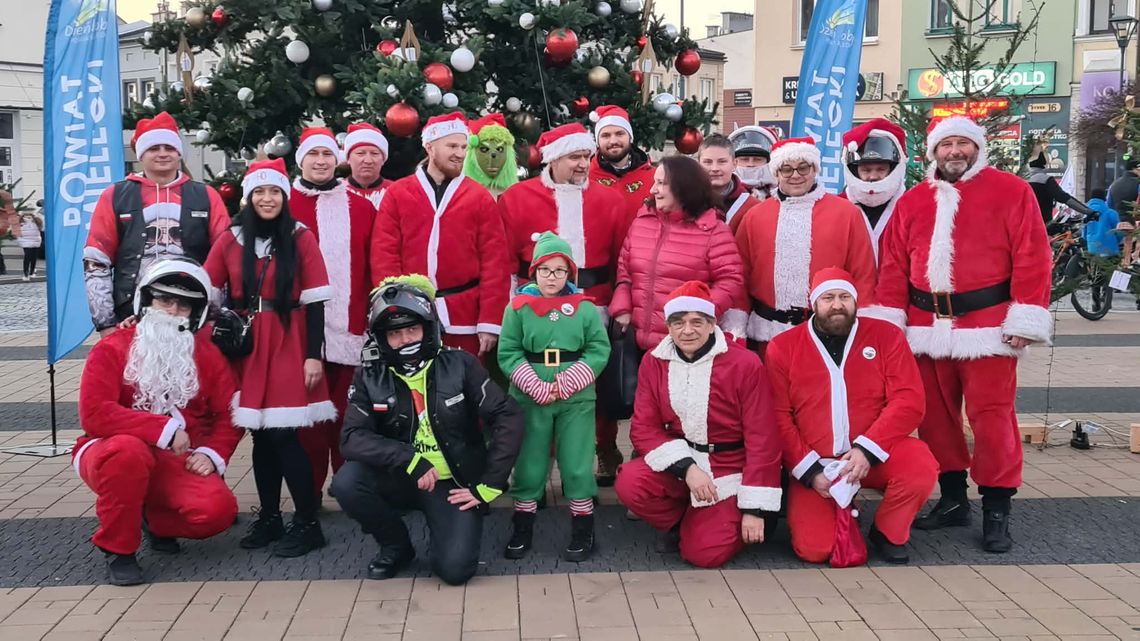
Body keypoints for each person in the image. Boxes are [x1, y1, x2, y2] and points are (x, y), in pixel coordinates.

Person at [869, 116, 1052, 553]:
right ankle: (953, 498)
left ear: (977, 148)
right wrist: (893, 321)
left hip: (988, 328)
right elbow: (893, 264)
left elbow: (1033, 255)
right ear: (932, 152)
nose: (954, 151)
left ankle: (996, 507)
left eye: (962, 143)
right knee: (934, 417)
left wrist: (1024, 319)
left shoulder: (1012, 192)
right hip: (925, 328)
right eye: (946, 144)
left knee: (993, 419)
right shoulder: (913, 201)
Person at [331, 275, 525, 585]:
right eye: (395, 333)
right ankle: (396, 546)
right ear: (381, 337)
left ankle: (446, 532)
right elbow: (352, 439)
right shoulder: (369, 375)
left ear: (429, 327)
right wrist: (408, 457)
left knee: (455, 571)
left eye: (412, 329)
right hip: (402, 474)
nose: (406, 339)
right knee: (347, 483)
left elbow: (508, 416)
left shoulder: (461, 364)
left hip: (452, 482)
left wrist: (489, 485)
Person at [74, 258, 242, 586]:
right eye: (164, 299)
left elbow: (229, 414)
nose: (172, 310)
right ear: (146, 300)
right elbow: (94, 412)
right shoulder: (112, 348)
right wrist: (160, 429)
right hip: (110, 450)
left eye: (184, 305)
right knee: (127, 452)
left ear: (196, 313)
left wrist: (211, 453)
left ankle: (150, 516)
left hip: (175, 458)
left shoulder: (207, 355)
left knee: (217, 512)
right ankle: (119, 549)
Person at [204, 158, 336, 557]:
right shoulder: (230, 238)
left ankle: (307, 521)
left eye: (274, 191)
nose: (267, 198)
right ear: (248, 197)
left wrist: (314, 357)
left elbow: (316, 302)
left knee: (284, 434)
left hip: (289, 340)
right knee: (261, 436)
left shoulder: (300, 237)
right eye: (259, 192)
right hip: (246, 345)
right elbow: (206, 288)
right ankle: (270, 517)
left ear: (284, 196)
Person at [767, 268, 936, 565]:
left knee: (920, 466)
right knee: (815, 550)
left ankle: (888, 532)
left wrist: (867, 450)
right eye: (828, 297)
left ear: (856, 301)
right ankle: (833, 513)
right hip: (818, 462)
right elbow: (777, 416)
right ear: (813, 303)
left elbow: (908, 399)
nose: (837, 305)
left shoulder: (886, 336)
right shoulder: (783, 347)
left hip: (873, 455)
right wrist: (810, 473)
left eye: (845, 297)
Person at [615, 281, 782, 568]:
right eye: (678, 322)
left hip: (730, 466)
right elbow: (643, 428)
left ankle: (747, 518)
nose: (687, 330)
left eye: (696, 322)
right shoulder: (655, 362)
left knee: (703, 555)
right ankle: (686, 521)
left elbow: (763, 438)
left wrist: (755, 508)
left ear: (711, 323)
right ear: (668, 325)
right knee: (631, 482)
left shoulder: (744, 364)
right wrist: (687, 468)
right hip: (685, 460)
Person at [498, 122, 630, 484]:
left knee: (597, 388)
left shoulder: (610, 199)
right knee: (535, 389)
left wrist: (621, 302)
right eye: (575, 156)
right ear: (554, 159)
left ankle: (603, 449)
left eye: (587, 156)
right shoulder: (517, 198)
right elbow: (506, 260)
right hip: (534, 307)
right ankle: (533, 472)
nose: (584, 164)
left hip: (595, 303)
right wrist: (513, 307)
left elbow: (623, 258)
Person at [498, 232, 611, 561]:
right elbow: (508, 352)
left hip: (575, 398)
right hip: (530, 396)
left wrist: (569, 382)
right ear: (534, 271)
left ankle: (583, 528)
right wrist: (533, 385)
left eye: (560, 271)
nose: (552, 278)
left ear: (570, 274)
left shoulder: (585, 309)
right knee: (530, 463)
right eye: (545, 270)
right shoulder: (518, 308)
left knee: (576, 465)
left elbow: (598, 350)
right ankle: (523, 525)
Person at [370, 112, 511, 358]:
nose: (459, 153)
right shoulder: (398, 193)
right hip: (409, 314)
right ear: (430, 146)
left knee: (463, 389)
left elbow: (494, 261)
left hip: (464, 315)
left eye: (464, 147)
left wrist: (489, 321)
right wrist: (394, 307)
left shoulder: (478, 197)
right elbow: (385, 254)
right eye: (452, 146)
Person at [289, 127, 377, 504]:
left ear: (337, 159)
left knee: (348, 417)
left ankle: (351, 491)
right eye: (314, 155)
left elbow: (376, 264)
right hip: (298, 335)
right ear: (301, 160)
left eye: (327, 155)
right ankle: (307, 499)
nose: (321, 162)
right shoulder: (282, 203)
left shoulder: (361, 207)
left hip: (353, 328)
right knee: (308, 422)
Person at [84, 112, 231, 336]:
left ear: (179, 152)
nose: (163, 154)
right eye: (154, 148)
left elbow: (225, 259)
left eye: (169, 148)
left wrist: (213, 315)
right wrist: (105, 323)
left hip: (193, 313)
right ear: (141, 154)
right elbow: (97, 262)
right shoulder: (115, 196)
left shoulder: (206, 196)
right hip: (130, 317)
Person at [734, 137, 877, 358]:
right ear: (777, 173)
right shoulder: (754, 217)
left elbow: (863, 273)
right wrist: (736, 326)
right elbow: (740, 276)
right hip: (766, 335)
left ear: (815, 169)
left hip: (829, 332)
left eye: (803, 167)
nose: (795, 175)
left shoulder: (846, 213)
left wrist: (863, 322)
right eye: (787, 169)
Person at [610, 155, 747, 354]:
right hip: (636, 343)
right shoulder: (641, 222)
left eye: (661, 183)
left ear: (684, 187)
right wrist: (622, 306)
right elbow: (624, 271)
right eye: (654, 182)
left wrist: (697, 315)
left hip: (686, 346)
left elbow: (731, 280)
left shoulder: (713, 230)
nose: (652, 190)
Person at [841, 118, 908, 264]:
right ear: (854, 170)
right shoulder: (839, 206)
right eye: (866, 170)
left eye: (881, 169)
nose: (873, 176)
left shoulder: (910, 205)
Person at [588, 105, 656, 222]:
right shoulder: (585, 178)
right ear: (597, 141)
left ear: (630, 137)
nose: (613, 141)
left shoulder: (654, 178)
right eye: (605, 135)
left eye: (619, 134)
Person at [697, 134, 760, 228]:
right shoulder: (684, 202)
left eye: (722, 161)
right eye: (708, 162)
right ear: (698, 165)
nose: (715, 168)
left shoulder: (752, 206)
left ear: (734, 164)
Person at [1025, 143, 1092, 225]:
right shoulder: (1045, 180)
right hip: (1043, 224)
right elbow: (1064, 198)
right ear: (1044, 165)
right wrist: (1088, 211)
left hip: (1025, 225)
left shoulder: (1023, 180)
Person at [463, 114, 519, 200]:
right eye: (484, 149)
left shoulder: (516, 195)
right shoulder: (463, 195)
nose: (492, 158)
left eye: (500, 149)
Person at [727, 125, 779, 208]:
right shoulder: (724, 193)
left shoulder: (781, 194)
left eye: (757, 159)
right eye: (744, 159)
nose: (750, 164)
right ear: (733, 162)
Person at [343, 122, 390, 210]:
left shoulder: (395, 192)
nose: (368, 161)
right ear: (348, 159)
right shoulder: (335, 192)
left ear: (383, 159)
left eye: (374, 154)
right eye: (360, 153)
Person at [1084, 188, 1123, 257]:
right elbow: (1119, 232)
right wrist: (1116, 241)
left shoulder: (1086, 213)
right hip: (1110, 250)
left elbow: (1084, 234)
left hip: (1092, 249)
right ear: (1104, 198)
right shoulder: (1111, 213)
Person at [1106, 158, 1139, 224]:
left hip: (1117, 223)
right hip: (1134, 224)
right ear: (1135, 169)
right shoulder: (1138, 184)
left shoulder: (1113, 185)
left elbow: (1109, 205)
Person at [17, 211, 42, 280]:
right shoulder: (20, 222)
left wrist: (36, 217)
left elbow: (41, 227)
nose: (28, 217)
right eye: (26, 215)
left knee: (33, 258)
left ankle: (31, 272)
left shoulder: (37, 221)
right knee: (27, 257)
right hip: (25, 242)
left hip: (35, 241)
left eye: (29, 215)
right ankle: (26, 273)